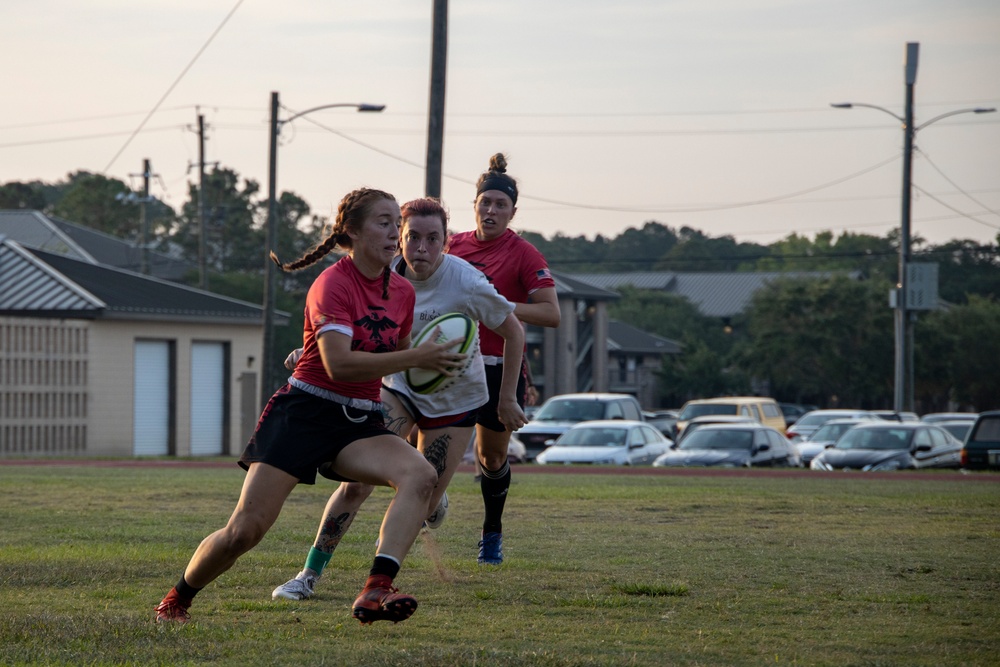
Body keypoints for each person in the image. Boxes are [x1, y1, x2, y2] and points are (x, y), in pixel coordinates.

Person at [153, 188, 468, 625]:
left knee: (420, 475)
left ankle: (376, 588)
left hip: (358, 418)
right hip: (304, 412)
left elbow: (391, 354)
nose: (394, 232)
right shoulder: (331, 284)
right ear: (351, 232)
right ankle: (177, 599)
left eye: (396, 222)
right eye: (383, 222)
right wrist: (417, 357)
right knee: (244, 531)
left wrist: (439, 365)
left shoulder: (402, 292)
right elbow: (339, 365)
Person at [271, 196, 528, 601]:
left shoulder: (467, 281)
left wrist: (507, 399)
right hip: (398, 386)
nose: (421, 248)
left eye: (433, 239)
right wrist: (308, 351)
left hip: (455, 400)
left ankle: (423, 511)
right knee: (355, 485)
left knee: (421, 502)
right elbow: (344, 319)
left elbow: (514, 331)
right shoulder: (381, 271)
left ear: (446, 241)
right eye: (412, 237)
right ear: (400, 237)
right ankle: (307, 575)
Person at [448, 153, 561, 564]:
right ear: (474, 205)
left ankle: (491, 534)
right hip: (450, 363)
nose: (491, 210)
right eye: (485, 202)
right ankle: (429, 498)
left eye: (500, 205)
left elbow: (551, 314)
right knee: (423, 445)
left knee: (490, 457)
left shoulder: (524, 254)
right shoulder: (450, 246)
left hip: (499, 367)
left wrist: (496, 304)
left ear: (513, 212)